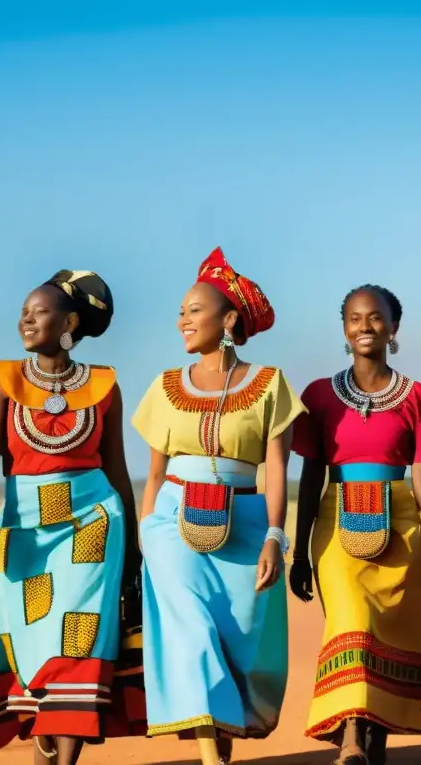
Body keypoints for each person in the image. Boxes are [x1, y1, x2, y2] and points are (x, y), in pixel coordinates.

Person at [0, 270, 145, 764]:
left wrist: (135, 548)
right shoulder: (3, 380)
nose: (26, 319)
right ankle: (43, 733)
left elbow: (118, 470)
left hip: (92, 526)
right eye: (23, 311)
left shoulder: (104, 386)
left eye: (38, 311)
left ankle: (66, 757)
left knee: (76, 636)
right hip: (23, 532)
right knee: (34, 645)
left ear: (70, 321)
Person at [131, 247, 306, 765]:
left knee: (237, 643)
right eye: (181, 311)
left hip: (248, 523)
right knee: (192, 631)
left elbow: (278, 468)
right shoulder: (164, 386)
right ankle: (211, 760)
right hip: (170, 522)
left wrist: (277, 535)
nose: (182, 320)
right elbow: (156, 472)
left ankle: (222, 746)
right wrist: (146, 531)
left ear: (229, 319)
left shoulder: (270, 384)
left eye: (194, 310)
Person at [289, 284, 421, 765]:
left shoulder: (417, 396)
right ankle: (351, 739)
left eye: (376, 318)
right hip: (336, 521)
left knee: (386, 637)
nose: (366, 326)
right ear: (344, 329)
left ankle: (370, 746)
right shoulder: (320, 395)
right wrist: (299, 552)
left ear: (394, 328)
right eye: (356, 318)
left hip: (401, 524)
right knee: (353, 622)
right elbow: (311, 474)